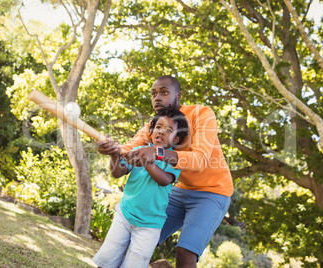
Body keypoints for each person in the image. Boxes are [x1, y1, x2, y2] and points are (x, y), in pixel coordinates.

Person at [97, 75, 234, 267]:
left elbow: (201, 159)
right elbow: (129, 150)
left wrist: (157, 152)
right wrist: (111, 150)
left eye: (164, 92)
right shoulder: (154, 126)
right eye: (153, 94)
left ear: (178, 96)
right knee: (140, 234)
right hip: (179, 189)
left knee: (185, 252)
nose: (157, 98)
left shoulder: (201, 113)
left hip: (212, 192)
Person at [92, 107, 189, 268]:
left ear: (176, 139)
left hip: (149, 225)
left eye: (168, 130)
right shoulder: (138, 151)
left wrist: (148, 162)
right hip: (125, 214)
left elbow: (165, 180)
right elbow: (118, 172)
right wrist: (113, 155)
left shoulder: (174, 160)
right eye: (158, 127)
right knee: (107, 260)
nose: (161, 132)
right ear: (152, 130)